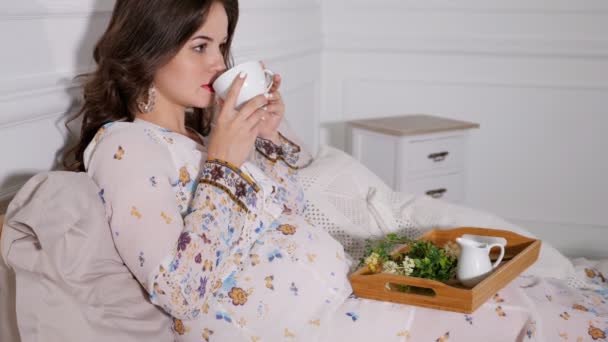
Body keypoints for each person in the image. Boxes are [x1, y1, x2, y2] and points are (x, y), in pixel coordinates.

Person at [67, 1, 542, 341]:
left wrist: (266, 139)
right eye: (200, 46)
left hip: (340, 304)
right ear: (150, 49)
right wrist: (225, 163)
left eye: (223, 45)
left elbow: (287, 216)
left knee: (521, 300)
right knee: (516, 316)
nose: (218, 63)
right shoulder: (126, 146)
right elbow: (178, 291)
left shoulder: (200, 139)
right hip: (299, 326)